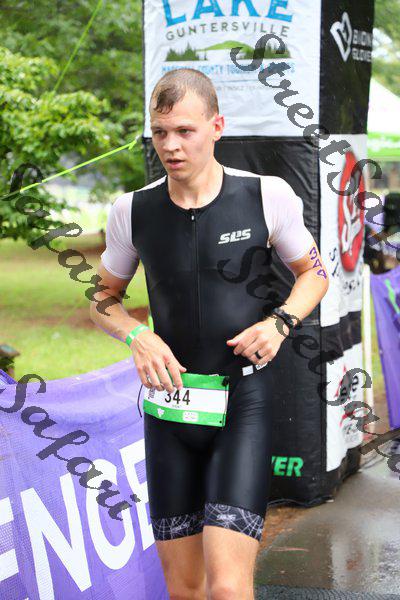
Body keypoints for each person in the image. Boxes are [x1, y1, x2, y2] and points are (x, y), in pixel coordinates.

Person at [90, 68, 329, 600]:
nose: (170, 146)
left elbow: (314, 274)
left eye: (185, 131)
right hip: (169, 411)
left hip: (242, 404)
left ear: (216, 127)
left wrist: (281, 321)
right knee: (185, 590)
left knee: (227, 587)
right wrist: (136, 336)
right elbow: (102, 299)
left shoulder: (266, 195)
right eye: (160, 132)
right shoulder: (132, 210)